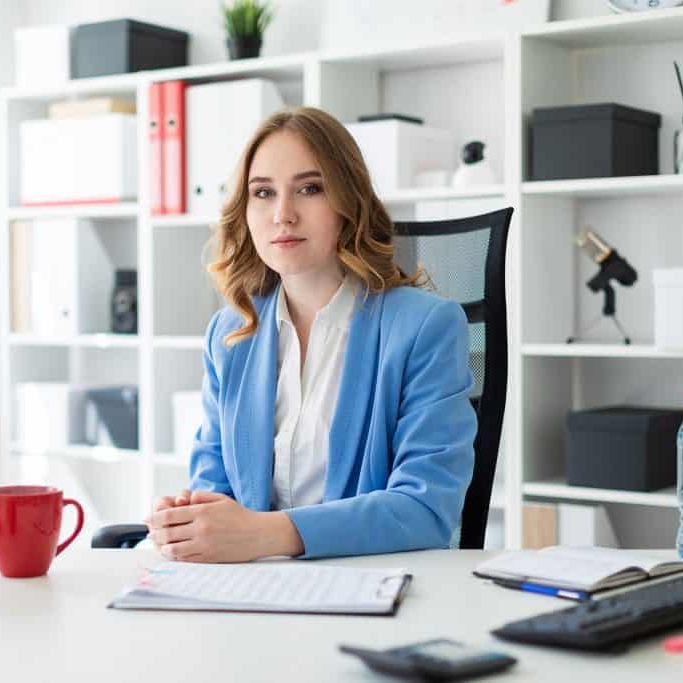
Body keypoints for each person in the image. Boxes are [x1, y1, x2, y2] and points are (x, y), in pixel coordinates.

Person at [143, 106, 477, 562]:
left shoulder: (424, 327)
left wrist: (265, 534)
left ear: (348, 202)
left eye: (309, 188)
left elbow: (425, 509)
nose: (283, 214)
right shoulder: (230, 332)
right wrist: (189, 522)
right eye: (263, 192)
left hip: (368, 589)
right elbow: (214, 487)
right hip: (253, 591)